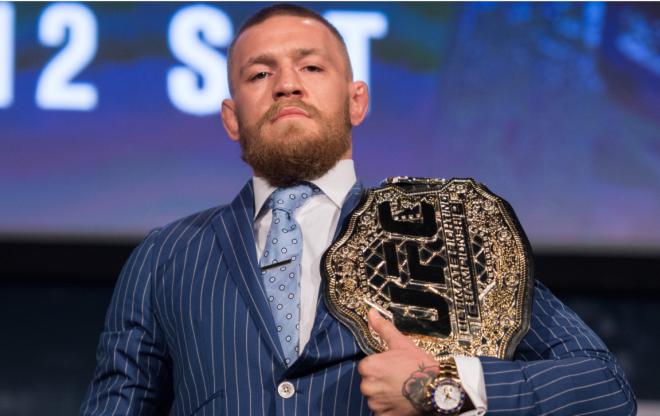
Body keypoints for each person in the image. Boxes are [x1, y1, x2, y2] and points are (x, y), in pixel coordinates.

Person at [80, 4, 636, 416]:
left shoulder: (448, 232)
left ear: (357, 101)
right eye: (259, 74)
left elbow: (605, 389)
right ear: (231, 117)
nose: (287, 84)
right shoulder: (166, 256)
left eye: (311, 68)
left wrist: (443, 386)